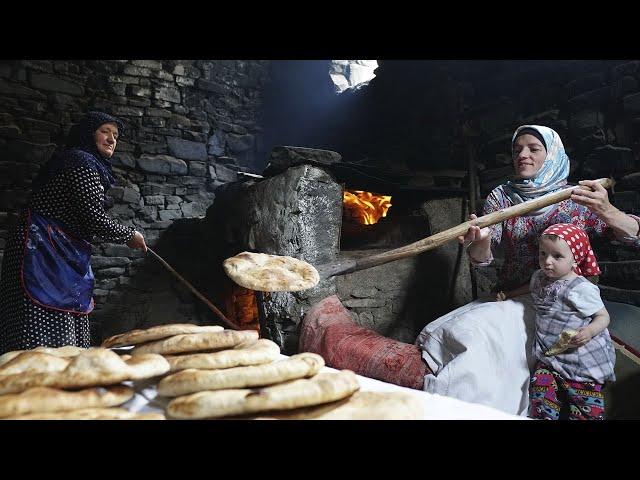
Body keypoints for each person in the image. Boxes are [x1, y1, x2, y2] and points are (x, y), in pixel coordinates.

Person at [414, 124, 639, 415]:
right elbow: (480, 257)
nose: (523, 155)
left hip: (560, 303)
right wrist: (479, 241)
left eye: (534, 148)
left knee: (482, 338)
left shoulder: (577, 198)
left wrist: (608, 211)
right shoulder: (502, 198)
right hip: (512, 293)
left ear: (553, 154)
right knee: (454, 327)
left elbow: (632, 235)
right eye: (517, 149)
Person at [0, 111, 147, 355]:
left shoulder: (86, 163)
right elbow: (92, 217)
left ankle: (61, 371)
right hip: (42, 248)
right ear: (88, 135)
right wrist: (129, 235)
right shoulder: (81, 162)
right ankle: (41, 377)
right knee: (43, 312)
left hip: (61, 247)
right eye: (105, 132)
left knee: (64, 309)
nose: (112, 139)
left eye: (116, 135)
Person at [498, 224, 614, 420]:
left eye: (557, 256)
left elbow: (603, 317)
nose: (547, 262)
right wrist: (509, 294)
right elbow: (530, 287)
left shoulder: (580, 288)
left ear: (575, 259)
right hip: (550, 354)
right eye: (543, 254)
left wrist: (589, 332)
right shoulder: (540, 277)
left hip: (579, 357)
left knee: (585, 405)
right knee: (540, 392)